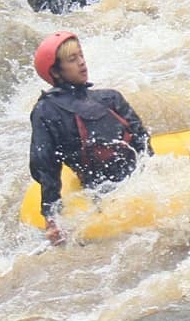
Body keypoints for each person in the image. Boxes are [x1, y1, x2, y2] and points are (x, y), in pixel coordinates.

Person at [29, 31, 152, 245]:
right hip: (101, 191)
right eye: (72, 59)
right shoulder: (47, 110)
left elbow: (142, 142)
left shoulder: (111, 98)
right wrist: (51, 216)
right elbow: (45, 163)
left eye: (81, 56)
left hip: (137, 182)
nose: (82, 63)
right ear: (56, 72)